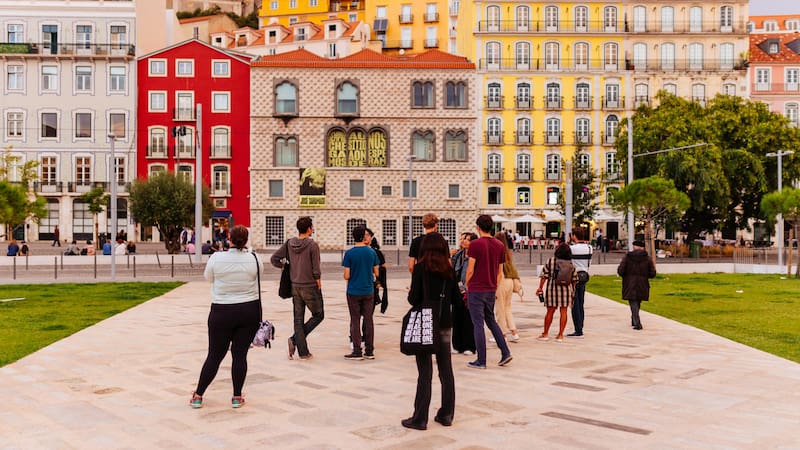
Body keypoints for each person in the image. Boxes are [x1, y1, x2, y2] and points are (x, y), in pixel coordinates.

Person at [191, 225, 262, 409]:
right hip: (248, 310)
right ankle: (237, 396)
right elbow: (259, 276)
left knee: (215, 355)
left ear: (229, 238)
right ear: (246, 240)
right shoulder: (254, 258)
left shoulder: (216, 258)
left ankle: (198, 395)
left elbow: (208, 278)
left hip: (222, 310)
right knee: (240, 355)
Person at [402, 232, 458, 431]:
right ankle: (447, 414)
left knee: (424, 372)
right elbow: (456, 301)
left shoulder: (420, 269)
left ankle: (420, 418)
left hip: (426, 323)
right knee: (446, 370)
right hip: (444, 323)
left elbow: (413, 299)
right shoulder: (449, 271)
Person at [271, 216, 323, 360]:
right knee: (319, 315)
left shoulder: (289, 243)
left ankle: (303, 352)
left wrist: (286, 266)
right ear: (308, 229)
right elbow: (316, 267)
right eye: (311, 227)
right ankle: (294, 340)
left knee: (298, 319)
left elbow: (274, 259)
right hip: (310, 285)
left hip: (295, 285)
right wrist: (318, 280)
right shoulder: (313, 245)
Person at [465, 215, 513, 369]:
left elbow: (471, 269)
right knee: (491, 321)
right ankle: (505, 352)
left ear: (478, 227)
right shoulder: (499, 245)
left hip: (477, 289)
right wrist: (494, 286)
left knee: (478, 324)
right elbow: (500, 272)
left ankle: (481, 360)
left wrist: (467, 284)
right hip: (491, 289)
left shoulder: (475, 245)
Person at [342, 227, 380, 360]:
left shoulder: (349, 254)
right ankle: (369, 351)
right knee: (369, 320)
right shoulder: (371, 253)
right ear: (363, 237)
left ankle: (357, 350)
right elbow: (377, 272)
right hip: (368, 290)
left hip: (353, 290)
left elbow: (347, 275)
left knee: (355, 320)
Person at [535, 243, 578, 342]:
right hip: (566, 290)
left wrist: (540, 288)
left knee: (550, 311)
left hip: (552, 289)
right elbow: (574, 279)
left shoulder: (551, 261)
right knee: (564, 312)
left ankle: (545, 333)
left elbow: (544, 275)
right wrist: (573, 291)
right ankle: (560, 335)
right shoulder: (571, 263)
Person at [617, 240, 657, 330]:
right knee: (637, 301)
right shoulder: (647, 258)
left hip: (629, 282)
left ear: (634, 247)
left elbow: (621, 270)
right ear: (642, 247)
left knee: (633, 301)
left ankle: (637, 322)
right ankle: (634, 319)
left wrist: (625, 276)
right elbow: (652, 273)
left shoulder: (627, 257)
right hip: (642, 283)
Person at [450, 232, 477, 355]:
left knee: (468, 318)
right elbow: (451, 268)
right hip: (457, 289)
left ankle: (469, 346)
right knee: (456, 317)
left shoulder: (475, 256)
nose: (464, 241)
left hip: (470, 289)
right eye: (463, 239)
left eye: (467, 239)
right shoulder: (458, 255)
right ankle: (457, 344)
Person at [493, 231, 521, 343]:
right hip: (510, 280)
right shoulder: (507, 252)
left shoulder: (497, 251)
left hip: (501, 280)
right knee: (507, 308)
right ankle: (514, 332)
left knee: (500, 309)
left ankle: (502, 334)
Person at [568, 228, 593, 338]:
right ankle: (580, 325)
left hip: (574, 276)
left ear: (574, 236)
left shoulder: (571, 248)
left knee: (574, 303)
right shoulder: (589, 248)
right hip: (584, 275)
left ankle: (578, 328)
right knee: (581, 302)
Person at [366, 228, 388, 314]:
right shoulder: (353, 252)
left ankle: (365, 328)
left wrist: (379, 281)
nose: (365, 237)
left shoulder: (376, 252)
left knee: (368, 315)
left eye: (367, 235)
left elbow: (383, 267)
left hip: (372, 285)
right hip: (359, 286)